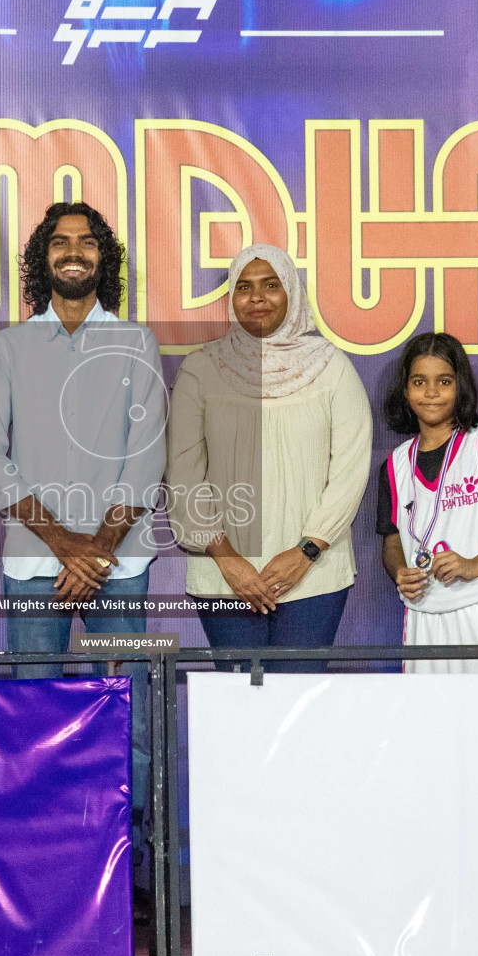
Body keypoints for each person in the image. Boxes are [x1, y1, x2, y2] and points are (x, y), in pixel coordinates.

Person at [0, 200, 164, 875]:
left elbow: (146, 457)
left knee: (132, 712)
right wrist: (66, 546)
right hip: (33, 564)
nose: (73, 251)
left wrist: (97, 551)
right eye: (60, 242)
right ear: (42, 258)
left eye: (86, 242)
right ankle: (43, 865)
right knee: (34, 710)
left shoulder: (136, 342)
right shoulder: (10, 346)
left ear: (102, 257)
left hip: (121, 564)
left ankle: (134, 867)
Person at [166, 245, 370, 666]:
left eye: (271, 285)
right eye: (244, 287)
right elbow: (183, 475)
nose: (256, 297)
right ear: (231, 299)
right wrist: (228, 560)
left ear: (292, 293)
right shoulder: (200, 370)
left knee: (297, 707)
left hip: (313, 575)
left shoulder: (332, 367)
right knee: (238, 704)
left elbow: (350, 470)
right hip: (223, 574)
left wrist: (305, 552)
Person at [377, 332, 478, 672]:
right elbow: (392, 540)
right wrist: (399, 572)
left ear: (460, 387)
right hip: (423, 615)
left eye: (444, 381)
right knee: (431, 724)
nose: (431, 392)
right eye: (419, 382)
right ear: (405, 390)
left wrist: (474, 564)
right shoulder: (395, 465)